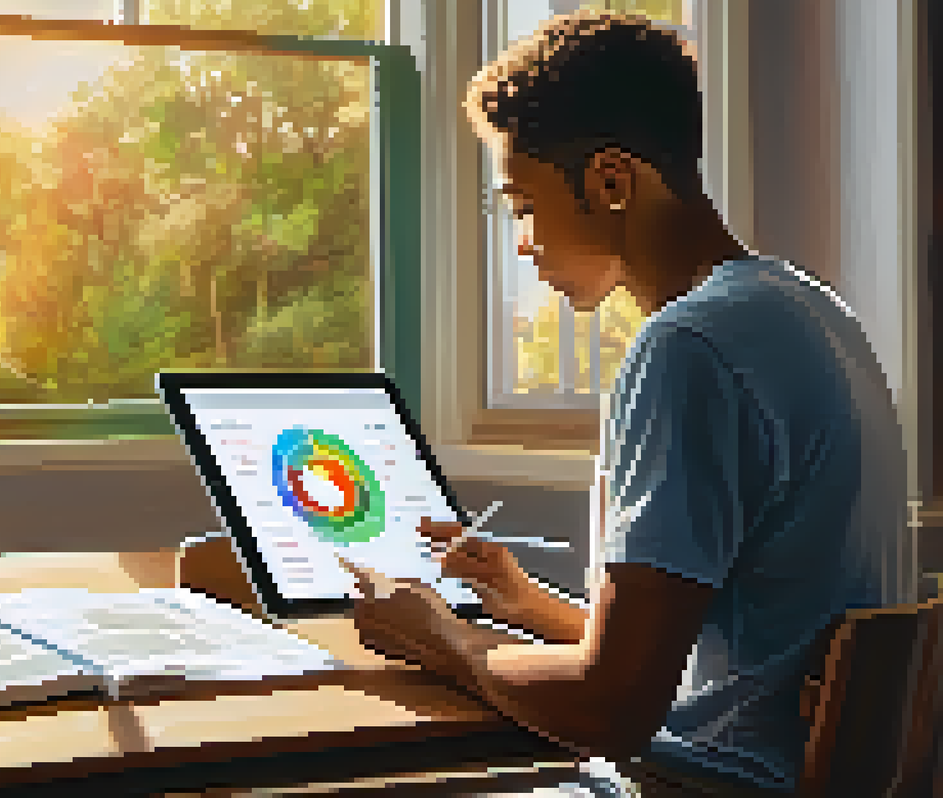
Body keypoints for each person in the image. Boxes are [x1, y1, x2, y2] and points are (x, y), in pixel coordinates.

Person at [347, 8, 908, 796]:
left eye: (524, 204)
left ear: (611, 181)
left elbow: (614, 707)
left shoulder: (689, 348)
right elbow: (716, 665)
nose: (522, 241)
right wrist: (521, 602)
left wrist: (443, 639)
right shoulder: (809, 313)